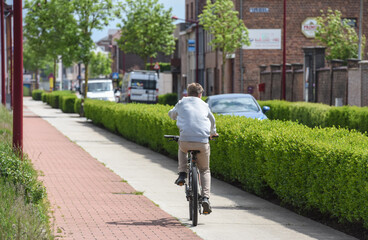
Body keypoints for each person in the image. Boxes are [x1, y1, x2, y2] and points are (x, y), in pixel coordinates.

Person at [168, 83, 218, 214]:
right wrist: (213, 132)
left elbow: (172, 114)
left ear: (187, 93)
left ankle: (182, 174)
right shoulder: (204, 105)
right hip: (202, 141)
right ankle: (206, 197)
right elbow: (212, 120)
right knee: (205, 170)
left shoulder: (182, 102)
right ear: (200, 95)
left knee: (182, 148)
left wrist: (174, 115)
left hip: (186, 140)